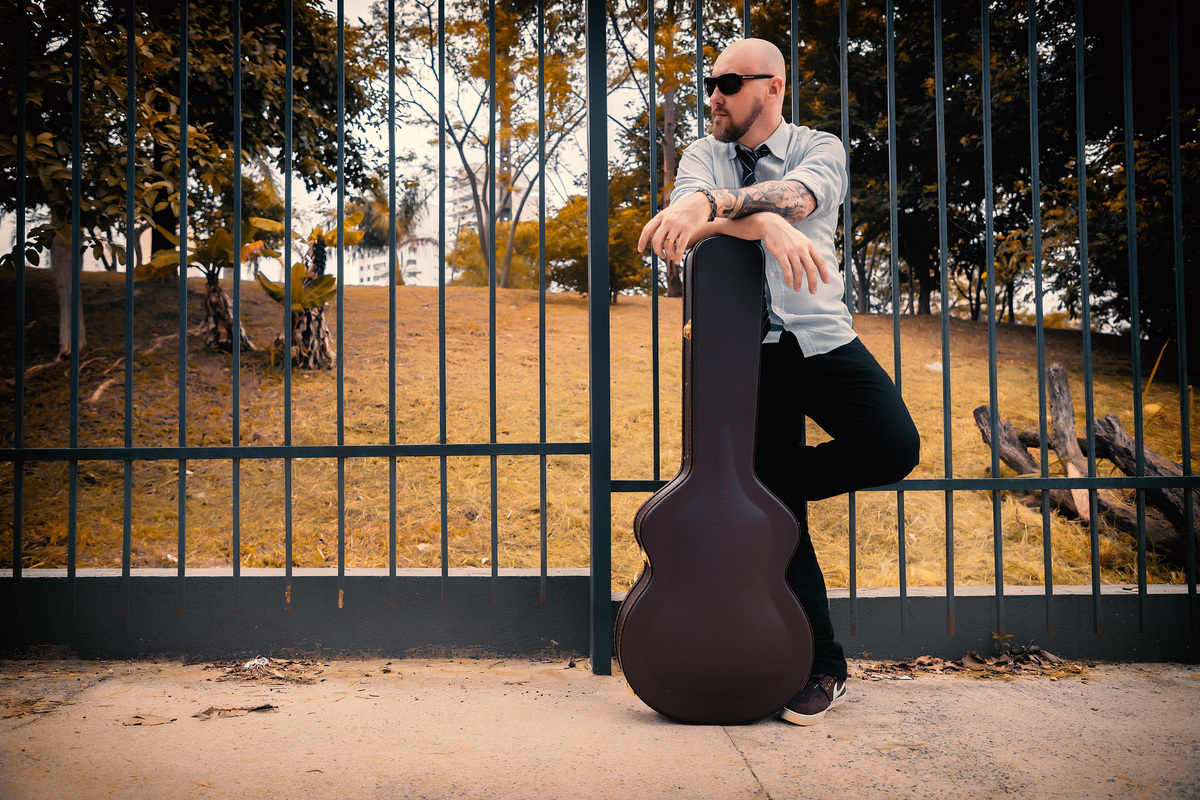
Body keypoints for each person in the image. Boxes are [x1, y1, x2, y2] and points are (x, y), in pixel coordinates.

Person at [637, 38, 920, 726]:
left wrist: (741, 210)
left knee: (891, 446)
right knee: (778, 522)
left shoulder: (818, 145)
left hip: (822, 340)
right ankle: (822, 666)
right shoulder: (705, 154)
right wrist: (759, 223)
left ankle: (768, 483)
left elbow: (800, 196)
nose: (714, 96)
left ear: (773, 87)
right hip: (743, 359)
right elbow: (689, 225)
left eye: (729, 83)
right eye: (711, 83)